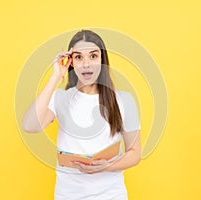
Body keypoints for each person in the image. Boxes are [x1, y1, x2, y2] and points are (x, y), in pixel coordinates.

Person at [22, 29, 141, 200]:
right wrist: (56, 76)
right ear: (71, 62)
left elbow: (135, 153)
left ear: (102, 60)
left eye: (93, 56)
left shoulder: (124, 100)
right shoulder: (60, 98)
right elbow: (30, 126)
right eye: (79, 57)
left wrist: (105, 166)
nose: (86, 64)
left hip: (111, 195)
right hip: (68, 195)